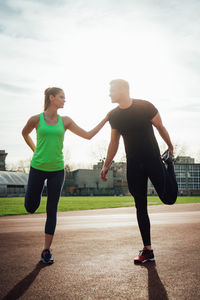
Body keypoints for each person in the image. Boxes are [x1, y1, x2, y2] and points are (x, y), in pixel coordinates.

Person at [22, 87, 109, 264]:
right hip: (37, 168)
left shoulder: (66, 121)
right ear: (51, 98)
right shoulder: (35, 119)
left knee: (52, 209)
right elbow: (24, 133)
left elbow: (88, 135)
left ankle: (46, 250)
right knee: (31, 207)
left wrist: (106, 119)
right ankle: (33, 198)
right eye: (62, 97)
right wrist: (34, 149)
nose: (64, 100)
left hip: (57, 170)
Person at [100, 79, 178, 264]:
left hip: (153, 160)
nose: (109, 94)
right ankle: (147, 250)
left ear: (122, 90)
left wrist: (170, 146)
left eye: (111, 90)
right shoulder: (115, 116)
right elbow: (114, 142)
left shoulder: (145, 106)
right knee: (140, 206)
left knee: (169, 199)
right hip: (133, 165)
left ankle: (170, 166)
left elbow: (160, 126)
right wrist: (106, 165)